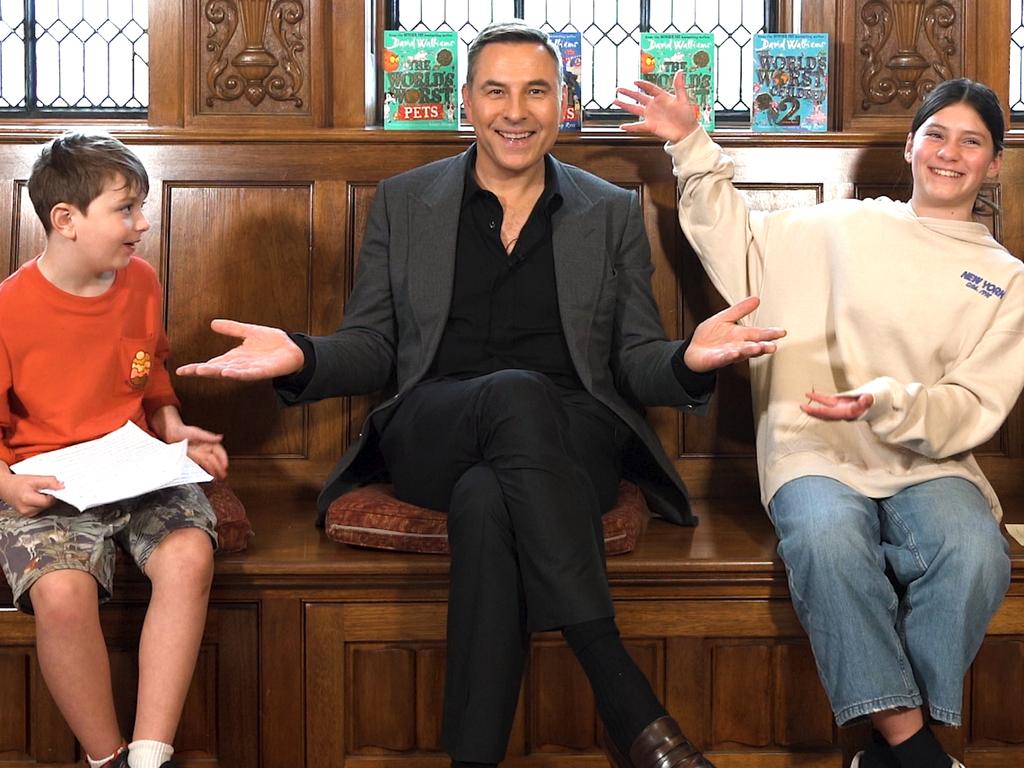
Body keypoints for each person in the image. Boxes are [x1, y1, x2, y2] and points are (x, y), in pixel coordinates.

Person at [178, 22, 782, 768]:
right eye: (495, 90)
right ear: (467, 103)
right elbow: (373, 345)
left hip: (569, 443)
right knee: (510, 397)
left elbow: (632, 361)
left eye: (536, 90)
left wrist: (690, 359)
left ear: (564, 102)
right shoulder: (405, 202)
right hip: (436, 426)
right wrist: (300, 353)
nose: (515, 110)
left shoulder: (609, 211)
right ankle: (621, 690)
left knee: (488, 499)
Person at [615, 74, 1022, 768]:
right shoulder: (839, 225)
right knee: (830, 541)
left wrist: (886, 401)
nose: (950, 153)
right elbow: (737, 245)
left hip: (930, 460)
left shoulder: (1007, 280)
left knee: (977, 551)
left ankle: (886, 746)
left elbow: (973, 403)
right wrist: (689, 141)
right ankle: (914, 748)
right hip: (813, 447)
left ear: (993, 162)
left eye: (972, 142)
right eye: (937, 135)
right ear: (910, 145)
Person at [0, 133, 229, 768]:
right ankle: (108, 759)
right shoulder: (8, 310)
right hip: (46, 481)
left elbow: (149, 369)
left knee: (188, 557)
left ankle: (151, 756)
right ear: (65, 220)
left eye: (143, 207)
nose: (143, 223)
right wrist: (7, 485)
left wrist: (174, 426)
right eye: (125, 209)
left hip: (137, 469)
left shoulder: (141, 282)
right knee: (63, 595)